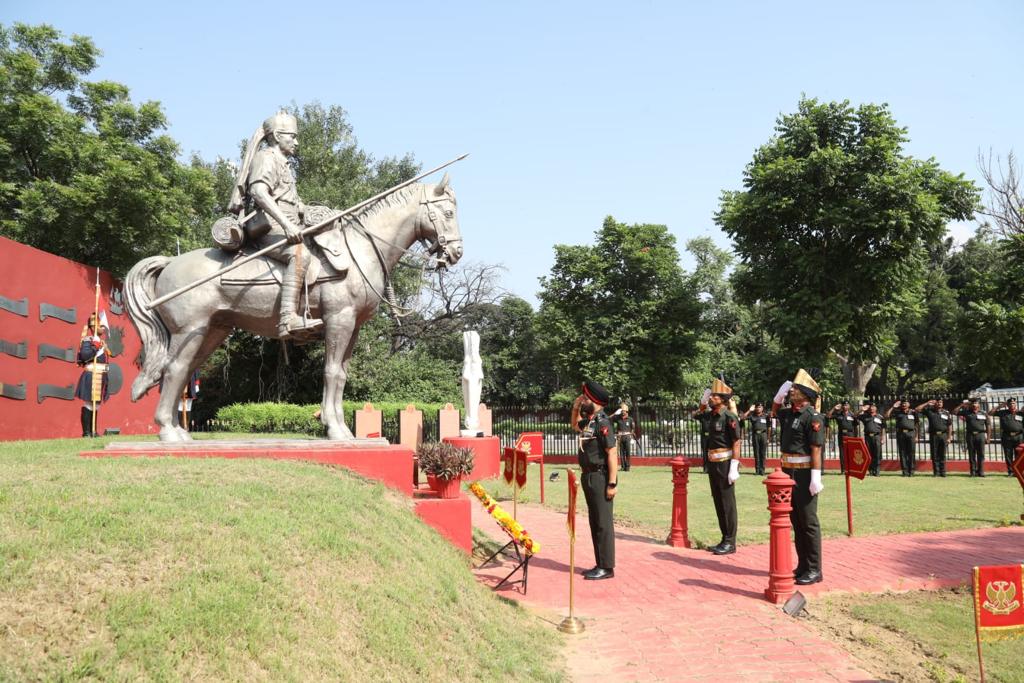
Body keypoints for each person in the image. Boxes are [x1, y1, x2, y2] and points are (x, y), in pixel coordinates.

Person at [230, 111, 323, 340]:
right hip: (271, 228)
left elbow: (286, 197)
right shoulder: (267, 157)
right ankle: (287, 319)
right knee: (300, 255)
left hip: (290, 224)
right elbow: (259, 192)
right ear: (278, 136)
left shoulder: (284, 162)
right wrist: (286, 224)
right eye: (292, 136)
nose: (296, 141)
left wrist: (309, 210)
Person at [771, 369, 825, 585]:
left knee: (808, 521)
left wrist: (815, 477)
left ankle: (814, 569)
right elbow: (775, 411)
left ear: (806, 394)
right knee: (796, 521)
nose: (792, 391)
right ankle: (802, 566)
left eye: (795, 389)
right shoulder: (790, 413)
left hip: (804, 473)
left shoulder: (812, 417)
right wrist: (779, 395)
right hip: (787, 472)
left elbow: (816, 449)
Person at [572, 380, 618, 581]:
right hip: (588, 475)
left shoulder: (603, 423)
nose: (583, 401)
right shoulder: (590, 422)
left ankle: (607, 567)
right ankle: (600, 563)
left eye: (586, 398)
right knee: (594, 521)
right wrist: (575, 407)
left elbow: (612, 453)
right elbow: (575, 425)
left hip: (600, 476)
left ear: (595, 401)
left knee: (603, 523)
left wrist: (612, 483)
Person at [704, 379, 742, 555]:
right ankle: (724, 537)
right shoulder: (712, 415)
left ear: (723, 399)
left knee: (727, 503)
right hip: (713, 463)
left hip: (726, 463)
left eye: (714, 396)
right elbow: (697, 412)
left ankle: (730, 541)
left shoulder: (729, 417)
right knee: (718, 500)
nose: (711, 398)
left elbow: (736, 442)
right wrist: (703, 400)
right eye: (711, 395)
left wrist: (734, 467)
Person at [75, 312, 109, 437]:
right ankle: (86, 432)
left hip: (101, 375)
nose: (103, 328)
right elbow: (84, 356)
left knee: (97, 404)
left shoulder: (101, 342)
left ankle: (94, 431)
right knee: (89, 403)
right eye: (101, 325)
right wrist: (95, 347)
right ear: (94, 327)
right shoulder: (88, 341)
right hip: (92, 374)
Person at [916, 399, 952, 476]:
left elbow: (949, 426)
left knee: (942, 454)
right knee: (935, 454)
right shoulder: (930, 411)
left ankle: (943, 472)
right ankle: (936, 472)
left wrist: (949, 437)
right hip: (934, 435)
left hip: (943, 435)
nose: (939, 403)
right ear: (935, 404)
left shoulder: (946, 413)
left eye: (941, 402)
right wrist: (927, 403)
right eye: (938, 402)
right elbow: (917, 409)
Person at [989, 399, 1023, 476]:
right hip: (1007, 437)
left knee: (1019, 455)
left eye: (1013, 403)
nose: (1012, 405)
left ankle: (1018, 472)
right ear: (1007, 405)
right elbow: (990, 413)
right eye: (1010, 404)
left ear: (1016, 404)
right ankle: (1010, 472)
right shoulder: (1003, 412)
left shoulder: (1020, 413)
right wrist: (999, 406)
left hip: (1019, 436)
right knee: (1008, 455)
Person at [885, 399, 919, 476]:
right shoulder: (898, 412)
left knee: (911, 452)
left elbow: (917, 425)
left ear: (909, 404)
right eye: (903, 403)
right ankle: (905, 471)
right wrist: (893, 407)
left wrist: (916, 436)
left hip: (911, 433)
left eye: (905, 403)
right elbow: (886, 416)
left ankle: (911, 471)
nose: (904, 405)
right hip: (901, 434)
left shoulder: (913, 412)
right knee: (902, 453)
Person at [957, 398, 990, 477]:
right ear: (970, 405)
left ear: (979, 404)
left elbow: (988, 425)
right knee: (971, 454)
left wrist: (988, 437)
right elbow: (954, 412)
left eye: (976, 403)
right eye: (973, 403)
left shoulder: (983, 413)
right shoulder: (967, 412)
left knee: (981, 454)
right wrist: (962, 405)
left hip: (981, 435)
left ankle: (981, 472)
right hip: (970, 435)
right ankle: (973, 472)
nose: (974, 405)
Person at [827, 401, 859, 473]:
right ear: (842, 407)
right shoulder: (838, 414)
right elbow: (828, 416)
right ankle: (843, 470)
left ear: (849, 406)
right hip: (841, 434)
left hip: (850, 434)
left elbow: (855, 426)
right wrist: (834, 408)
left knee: (850, 452)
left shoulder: (852, 415)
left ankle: (851, 469)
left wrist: (855, 437)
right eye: (844, 405)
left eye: (846, 405)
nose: (845, 407)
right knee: (842, 452)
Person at [741, 402, 771, 475]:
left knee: (763, 453)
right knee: (756, 453)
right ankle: (757, 470)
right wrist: (749, 410)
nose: (758, 408)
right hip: (755, 435)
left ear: (762, 408)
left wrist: (768, 437)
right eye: (757, 407)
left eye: (760, 407)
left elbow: (769, 427)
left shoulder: (766, 416)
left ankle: (762, 470)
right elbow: (742, 417)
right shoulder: (752, 416)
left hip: (763, 434)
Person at [857, 402, 885, 476]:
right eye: (870, 407)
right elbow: (855, 416)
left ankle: (877, 471)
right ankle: (871, 471)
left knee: (877, 454)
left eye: (873, 407)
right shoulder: (865, 416)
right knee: (869, 454)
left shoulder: (880, 417)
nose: (871, 408)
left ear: (876, 408)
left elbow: (883, 428)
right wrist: (861, 410)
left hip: (877, 437)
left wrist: (883, 438)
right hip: (868, 437)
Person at [611, 403, 637, 471]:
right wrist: (615, 413)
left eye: (624, 411)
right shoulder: (617, 418)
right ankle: (623, 466)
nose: (622, 412)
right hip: (620, 437)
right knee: (621, 452)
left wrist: (631, 434)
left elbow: (633, 428)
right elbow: (609, 419)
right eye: (622, 411)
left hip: (627, 437)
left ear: (626, 411)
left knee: (628, 452)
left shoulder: (630, 419)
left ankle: (627, 467)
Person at [691, 394, 713, 473]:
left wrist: (709, 407)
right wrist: (699, 409)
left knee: (712, 453)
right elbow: (693, 415)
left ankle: (712, 469)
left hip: (712, 436)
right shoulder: (702, 415)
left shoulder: (712, 414)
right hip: (704, 436)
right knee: (704, 453)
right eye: (705, 404)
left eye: (707, 404)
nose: (706, 405)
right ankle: (705, 469)